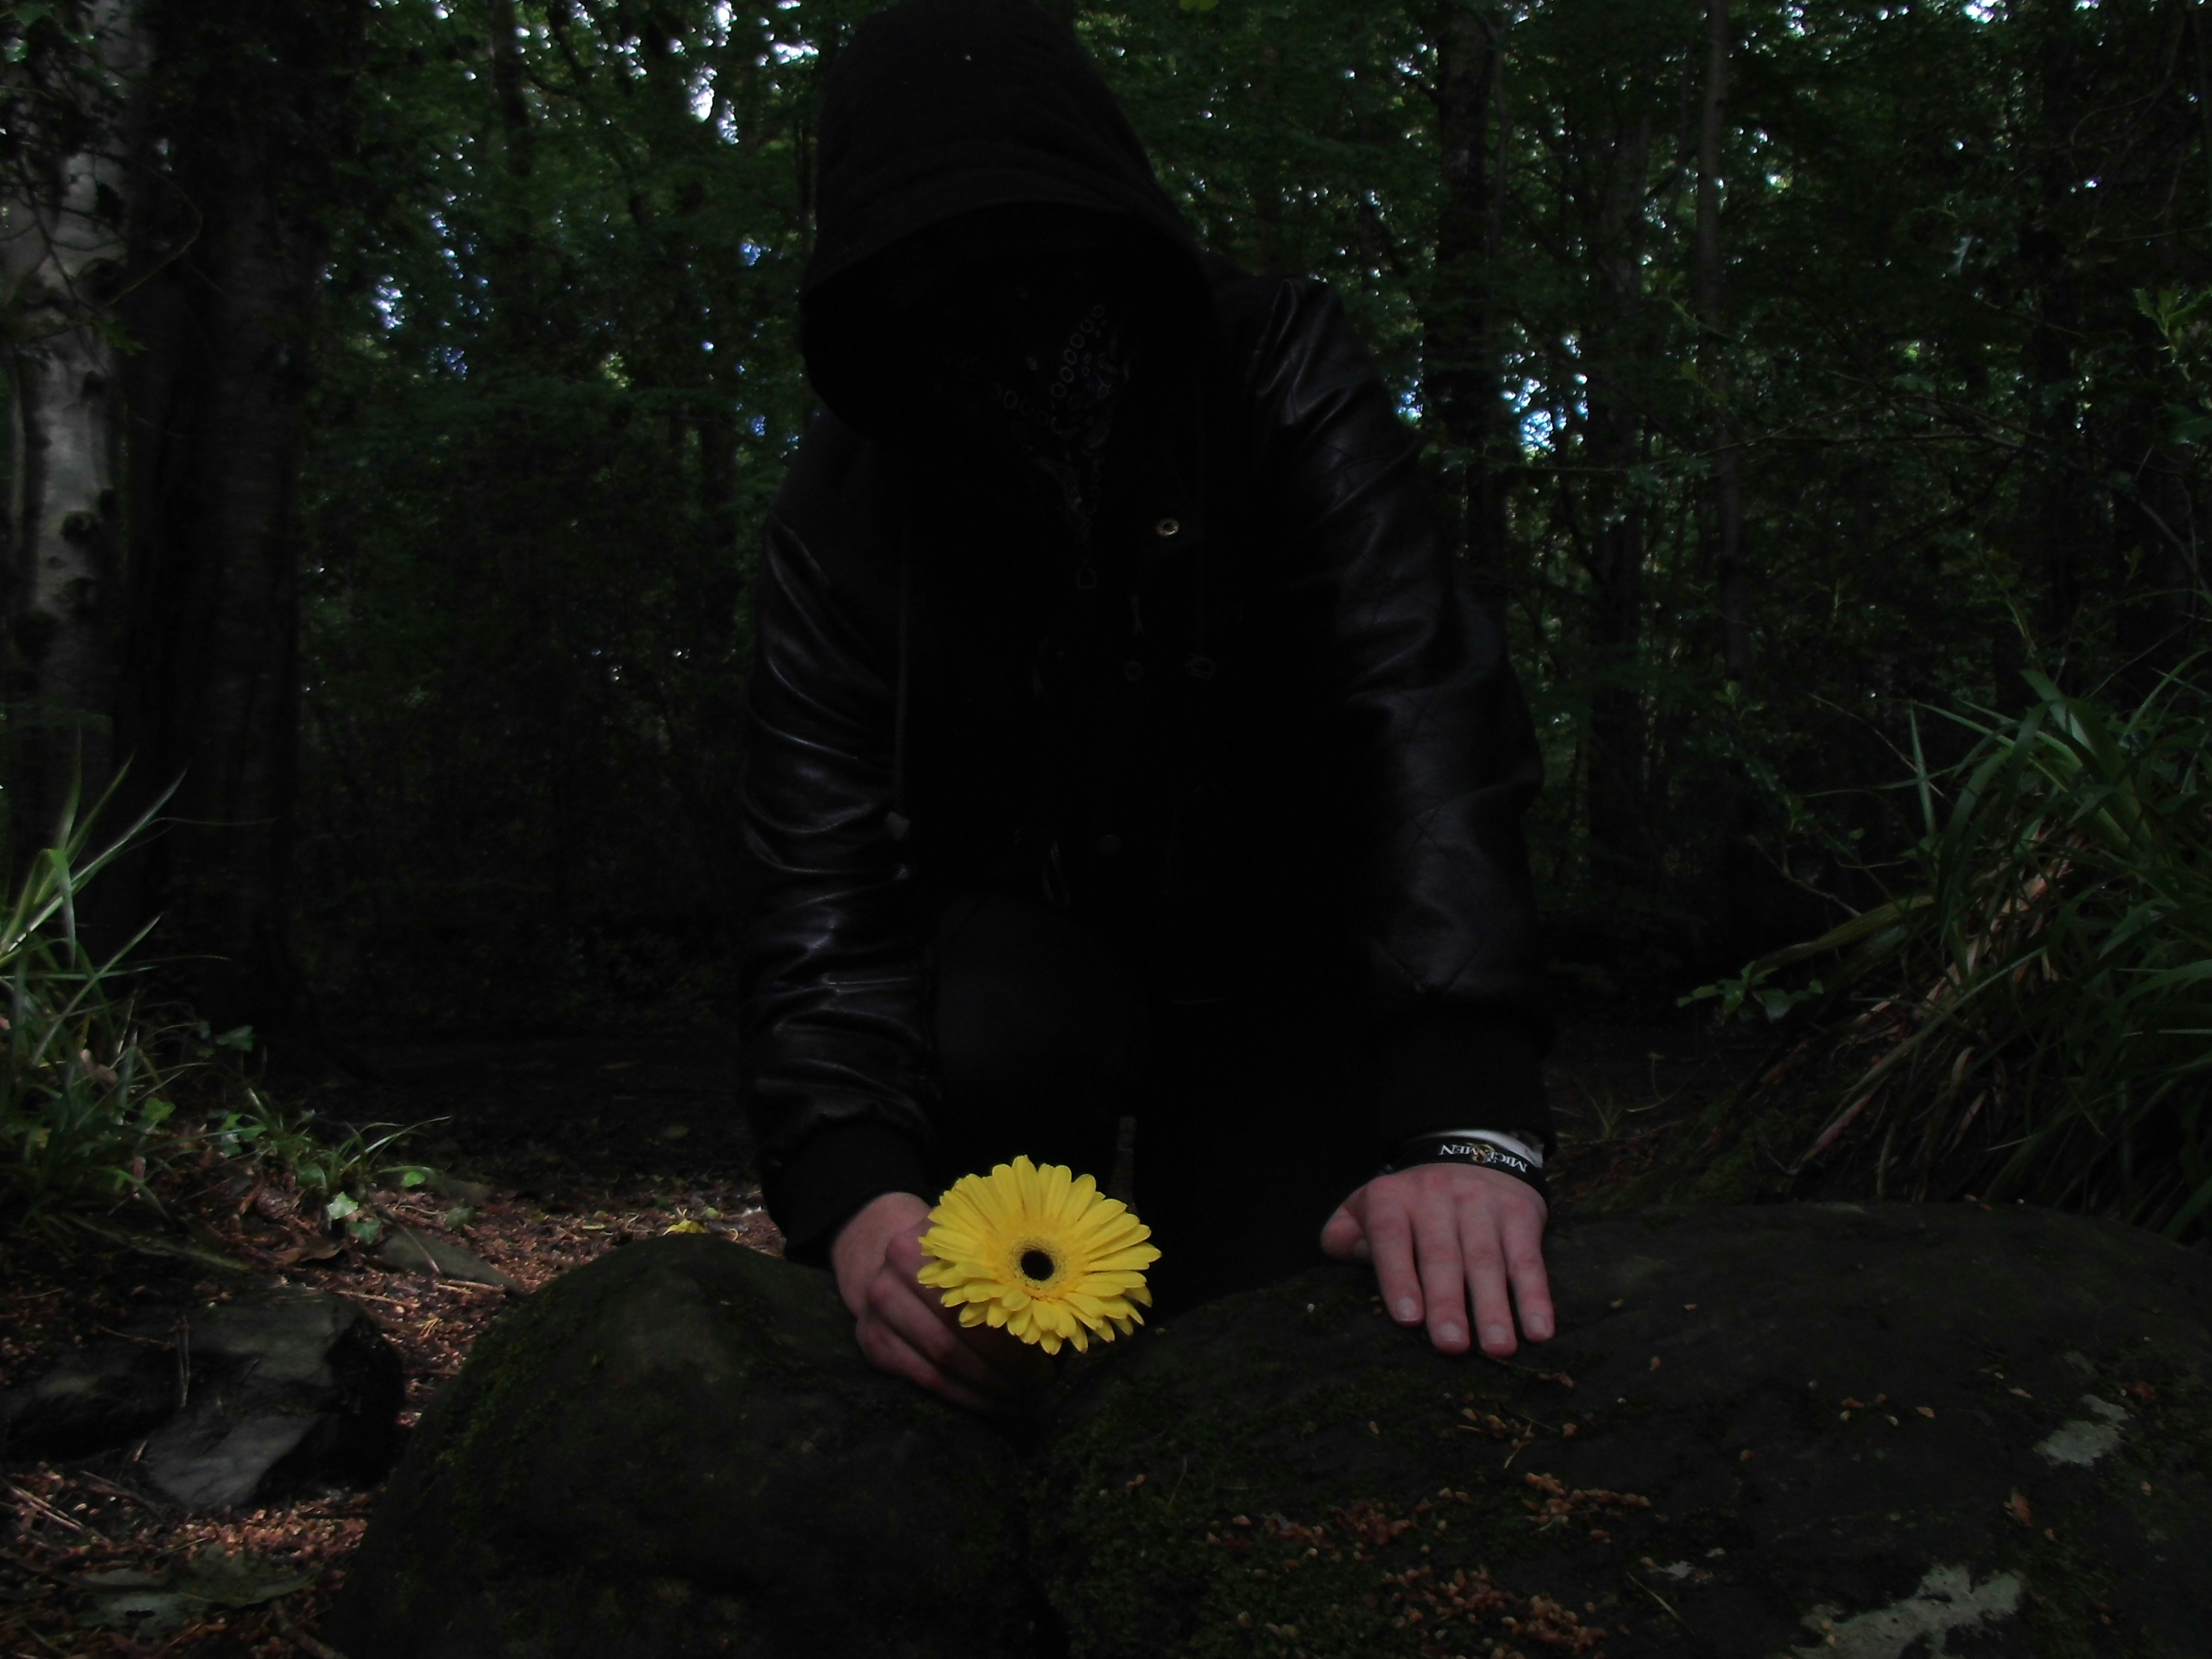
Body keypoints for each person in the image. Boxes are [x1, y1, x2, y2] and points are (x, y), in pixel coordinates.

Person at [737, 0, 1556, 1416]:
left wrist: (1463, 1115)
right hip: (1022, 993)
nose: (1004, 307)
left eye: (1044, 251)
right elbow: (818, 887)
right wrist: (857, 1194)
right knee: (997, 1254)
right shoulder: (844, 512)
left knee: (1274, 1346)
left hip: (1286, 972)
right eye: (935, 269)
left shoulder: (1275, 366)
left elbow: (1416, 710)